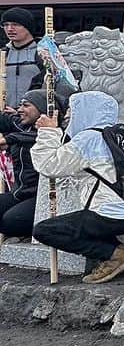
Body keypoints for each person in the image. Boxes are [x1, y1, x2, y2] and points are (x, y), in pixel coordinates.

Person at [30, 91, 124, 284]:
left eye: (72, 109)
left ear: (87, 110)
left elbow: (49, 166)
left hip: (112, 213)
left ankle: (116, 256)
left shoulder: (89, 139)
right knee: (86, 224)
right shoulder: (118, 134)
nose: (68, 115)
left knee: (45, 230)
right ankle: (117, 254)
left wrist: (47, 132)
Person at [0, 90, 48, 237]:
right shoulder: (23, 125)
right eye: (20, 105)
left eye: (26, 105)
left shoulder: (53, 131)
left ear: (41, 109)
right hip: (19, 192)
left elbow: (37, 137)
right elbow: (6, 120)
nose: (20, 109)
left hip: (41, 197)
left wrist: (11, 139)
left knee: (11, 221)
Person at [1, 8, 44, 109]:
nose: (10, 29)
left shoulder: (43, 53)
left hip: (35, 116)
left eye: (15, 24)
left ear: (28, 27)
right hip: (5, 115)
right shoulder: (3, 54)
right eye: (6, 25)